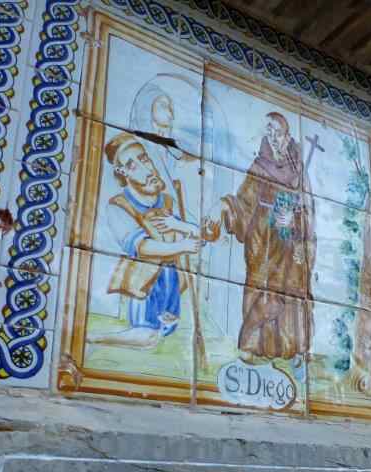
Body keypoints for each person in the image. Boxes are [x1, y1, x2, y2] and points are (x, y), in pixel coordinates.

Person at [206, 112, 314, 371]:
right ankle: (254, 346)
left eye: (278, 132)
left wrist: (295, 219)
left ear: (287, 136)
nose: (274, 137)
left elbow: (309, 213)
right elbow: (244, 202)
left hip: (289, 246)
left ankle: (294, 348)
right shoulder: (259, 167)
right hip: (262, 241)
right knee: (261, 291)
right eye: (269, 131)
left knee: (291, 292)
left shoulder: (300, 172)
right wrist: (226, 206)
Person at [87, 132, 201, 349]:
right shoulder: (119, 206)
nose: (146, 169)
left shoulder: (168, 201)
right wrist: (181, 246)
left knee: (167, 329)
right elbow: (142, 247)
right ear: (122, 173)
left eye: (144, 159)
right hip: (145, 278)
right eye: (133, 166)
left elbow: (195, 235)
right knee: (147, 336)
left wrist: (181, 227)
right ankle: (96, 337)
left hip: (172, 278)